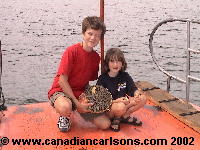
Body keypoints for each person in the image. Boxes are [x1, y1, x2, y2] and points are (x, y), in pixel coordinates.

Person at [48, 16, 111, 132]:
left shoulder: (96, 58)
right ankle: (65, 116)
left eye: (97, 35)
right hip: (61, 90)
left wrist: (87, 97)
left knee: (105, 124)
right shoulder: (71, 51)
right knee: (65, 107)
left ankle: (76, 108)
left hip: (80, 93)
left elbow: (87, 82)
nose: (93, 38)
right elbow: (62, 81)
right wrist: (77, 104)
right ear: (83, 33)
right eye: (90, 33)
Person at [97, 48, 147, 132]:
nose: (115, 64)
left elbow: (133, 88)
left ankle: (124, 116)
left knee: (143, 98)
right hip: (110, 110)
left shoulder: (125, 76)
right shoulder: (102, 79)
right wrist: (116, 101)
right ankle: (115, 119)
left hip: (124, 105)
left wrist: (137, 94)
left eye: (118, 61)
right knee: (120, 106)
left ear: (122, 63)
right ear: (107, 63)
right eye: (112, 61)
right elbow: (99, 100)